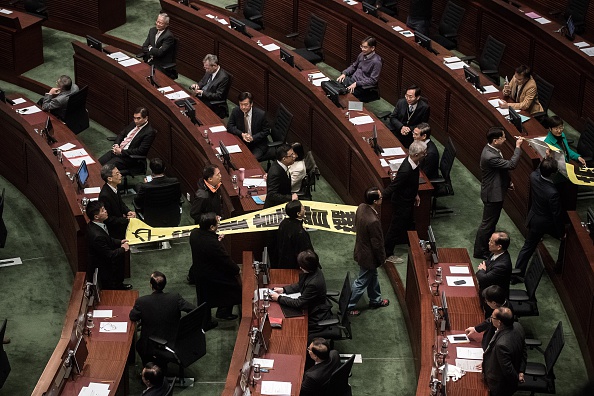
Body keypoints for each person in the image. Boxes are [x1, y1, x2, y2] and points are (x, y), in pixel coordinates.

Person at [473, 127, 524, 259]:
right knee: (487, 224)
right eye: (503, 137)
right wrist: (518, 147)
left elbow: (501, 170)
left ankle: (486, 246)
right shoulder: (490, 156)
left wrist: (508, 182)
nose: (505, 139)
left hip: (495, 190)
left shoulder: (492, 149)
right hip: (492, 194)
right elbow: (511, 164)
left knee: (491, 223)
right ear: (495, 140)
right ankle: (480, 251)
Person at [513, 158, 565, 281]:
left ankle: (516, 275)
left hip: (534, 218)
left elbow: (538, 170)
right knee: (566, 239)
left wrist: (545, 158)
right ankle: (559, 266)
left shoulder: (533, 177)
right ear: (553, 174)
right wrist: (561, 233)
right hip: (545, 223)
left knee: (527, 248)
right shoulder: (552, 193)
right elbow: (556, 215)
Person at [129, 271, 195, 365]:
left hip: (151, 344)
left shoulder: (142, 302)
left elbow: (133, 316)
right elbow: (194, 310)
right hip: (174, 341)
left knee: (139, 346)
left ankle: (148, 368)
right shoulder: (175, 298)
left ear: (151, 285)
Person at [189, 213, 241, 329]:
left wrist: (216, 238)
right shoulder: (212, 244)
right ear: (211, 227)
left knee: (203, 298)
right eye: (217, 224)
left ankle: (206, 320)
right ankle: (223, 312)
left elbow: (205, 243)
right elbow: (224, 259)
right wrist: (237, 270)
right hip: (210, 273)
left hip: (199, 271)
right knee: (234, 287)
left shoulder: (194, 233)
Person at [348, 187, 389, 316]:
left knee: (373, 276)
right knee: (361, 282)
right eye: (381, 197)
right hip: (369, 256)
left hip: (361, 249)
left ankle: (375, 300)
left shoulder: (361, 207)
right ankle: (348, 306)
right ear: (375, 201)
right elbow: (377, 244)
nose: (382, 199)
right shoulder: (373, 221)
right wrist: (382, 258)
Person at [270, 250, 333, 334]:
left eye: (302, 266)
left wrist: (279, 298)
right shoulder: (314, 270)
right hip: (312, 306)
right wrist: (284, 289)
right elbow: (301, 284)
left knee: (290, 328)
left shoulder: (314, 283)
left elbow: (299, 303)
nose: (300, 267)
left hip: (315, 315)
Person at [383, 140, 427, 259]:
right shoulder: (406, 170)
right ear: (416, 155)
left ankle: (414, 246)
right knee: (395, 228)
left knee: (410, 224)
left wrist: (415, 193)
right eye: (424, 152)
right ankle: (388, 254)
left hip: (408, 200)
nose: (426, 154)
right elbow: (394, 185)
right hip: (401, 203)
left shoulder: (413, 162)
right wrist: (381, 196)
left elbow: (411, 182)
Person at [85, 200, 131, 290]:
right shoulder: (97, 236)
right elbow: (109, 255)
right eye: (102, 210)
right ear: (96, 216)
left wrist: (119, 242)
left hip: (105, 263)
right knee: (111, 287)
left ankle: (120, 285)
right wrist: (123, 249)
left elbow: (108, 239)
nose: (106, 211)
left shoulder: (96, 225)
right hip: (103, 267)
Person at [482, 307, 527, 396]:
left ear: (499, 322)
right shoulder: (518, 326)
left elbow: (508, 370)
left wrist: (516, 381)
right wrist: (521, 371)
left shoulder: (502, 345)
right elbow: (524, 350)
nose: (491, 319)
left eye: (492, 317)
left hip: (499, 385)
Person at [98, 107, 157, 173]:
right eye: (134, 118)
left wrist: (121, 152)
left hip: (128, 158)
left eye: (138, 118)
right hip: (117, 151)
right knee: (97, 164)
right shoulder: (133, 124)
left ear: (146, 118)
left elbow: (141, 151)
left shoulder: (149, 132)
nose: (136, 121)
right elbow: (121, 134)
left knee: (105, 170)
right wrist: (116, 144)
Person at [476, 232, 512, 318]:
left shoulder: (502, 265)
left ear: (499, 246)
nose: (489, 243)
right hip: (487, 290)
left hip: (494, 299)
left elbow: (483, 279)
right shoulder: (495, 253)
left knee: (487, 318)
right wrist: (484, 271)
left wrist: (481, 270)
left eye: (491, 242)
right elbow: (486, 267)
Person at [465, 285, 510, 350]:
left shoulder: (504, 315)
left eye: (487, 301)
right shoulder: (502, 303)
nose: (486, 303)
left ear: (494, 303)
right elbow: (490, 319)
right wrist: (475, 329)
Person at [336, 37, 382, 102]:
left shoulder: (377, 62)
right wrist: (345, 73)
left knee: (344, 98)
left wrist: (357, 83)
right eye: (361, 46)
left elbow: (373, 80)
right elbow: (354, 66)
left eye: (365, 47)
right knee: (335, 87)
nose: (362, 49)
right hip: (352, 80)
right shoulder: (362, 54)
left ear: (372, 48)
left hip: (361, 86)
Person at [227, 92, 270, 160]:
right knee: (234, 157)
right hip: (242, 141)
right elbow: (229, 126)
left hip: (257, 144)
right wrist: (241, 134)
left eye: (246, 104)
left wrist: (253, 138)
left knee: (250, 160)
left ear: (251, 104)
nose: (243, 107)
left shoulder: (260, 114)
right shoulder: (236, 111)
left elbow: (266, 131)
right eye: (241, 104)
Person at [98, 164, 135, 239]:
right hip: (114, 231)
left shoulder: (114, 187)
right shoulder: (105, 196)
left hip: (120, 222)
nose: (120, 175)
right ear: (110, 179)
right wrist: (126, 220)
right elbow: (108, 219)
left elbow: (120, 203)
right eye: (117, 174)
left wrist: (128, 211)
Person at [190, 54, 231, 118]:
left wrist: (202, 93)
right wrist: (197, 85)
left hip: (211, 101)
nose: (206, 70)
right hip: (202, 95)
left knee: (195, 111)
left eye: (207, 68)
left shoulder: (223, 77)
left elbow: (219, 96)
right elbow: (202, 82)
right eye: (205, 68)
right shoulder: (209, 70)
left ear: (214, 66)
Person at [275, 200, 313, 269]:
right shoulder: (300, 232)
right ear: (298, 214)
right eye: (302, 208)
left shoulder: (284, 222)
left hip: (282, 260)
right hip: (295, 266)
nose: (304, 208)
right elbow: (306, 253)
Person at [141, 13, 176, 79]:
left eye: (161, 23)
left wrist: (150, 48)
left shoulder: (168, 36)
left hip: (160, 64)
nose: (158, 24)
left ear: (166, 25)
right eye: (157, 21)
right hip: (149, 60)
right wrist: (154, 50)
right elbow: (144, 47)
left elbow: (160, 53)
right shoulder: (152, 30)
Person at [263, 144, 298, 208]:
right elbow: (271, 195)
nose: (294, 156)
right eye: (291, 155)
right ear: (284, 158)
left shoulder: (281, 165)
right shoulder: (276, 172)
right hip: (275, 207)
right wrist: (290, 197)